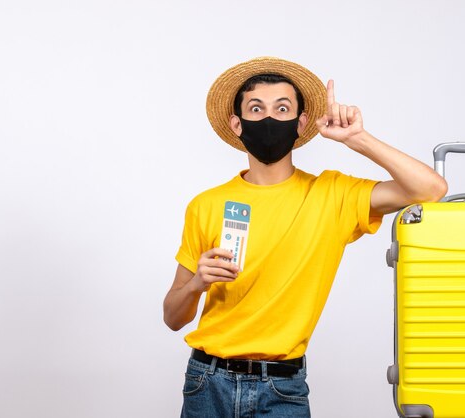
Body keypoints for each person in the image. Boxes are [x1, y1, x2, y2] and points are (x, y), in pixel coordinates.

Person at [163, 56, 447, 417]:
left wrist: (358, 139)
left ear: (300, 124)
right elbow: (172, 317)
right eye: (256, 108)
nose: (269, 118)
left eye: (282, 109)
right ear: (237, 123)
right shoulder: (206, 205)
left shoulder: (332, 195)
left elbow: (431, 189)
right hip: (207, 382)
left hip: (281, 388)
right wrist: (196, 285)